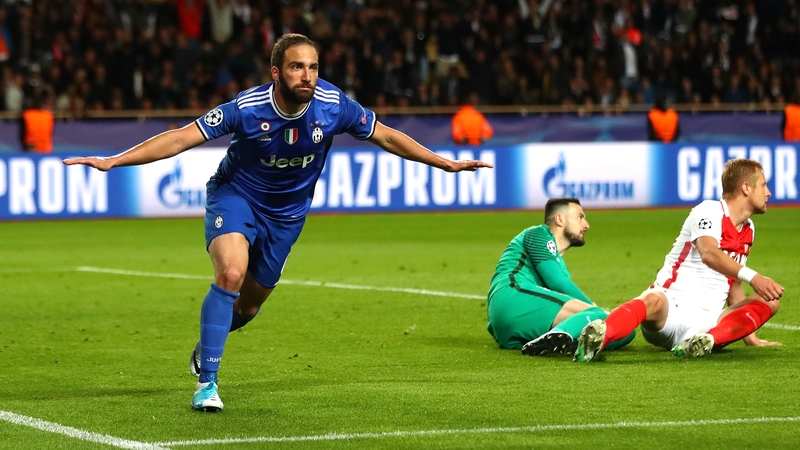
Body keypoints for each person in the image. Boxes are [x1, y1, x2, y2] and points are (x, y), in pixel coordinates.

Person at [63, 33, 493, 412]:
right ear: (276, 72)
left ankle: (209, 342)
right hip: (236, 197)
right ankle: (207, 382)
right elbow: (180, 137)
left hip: (287, 216)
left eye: (313, 67)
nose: (307, 75)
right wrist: (115, 160)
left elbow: (385, 135)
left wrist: (444, 163)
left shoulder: (334, 106)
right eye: (296, 67)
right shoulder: (246, 109)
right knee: (230, 272)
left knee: (247, 307)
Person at [574, 158, 784, 363]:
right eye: (764, 185)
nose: (768, 192)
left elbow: (734, 283)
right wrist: (754, 277)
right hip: (671, 308)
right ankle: (598, 338)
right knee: (652, 299)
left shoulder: (748, 229)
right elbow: (709, 253)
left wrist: (750, 337)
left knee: (770, 300)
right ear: (746, 188)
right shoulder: (709, 211)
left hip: (709, 321)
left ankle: (705, 342)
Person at [486, 197, 634, 356]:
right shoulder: (537, 234)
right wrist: (594, 307)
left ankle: (570, 344)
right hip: (512, 296)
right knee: (599, 317)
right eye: (580, 217)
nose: (586, 225)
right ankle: (563, 333)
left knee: (625, 331)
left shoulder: (559, 265)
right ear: (559, 219)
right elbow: (557, 282)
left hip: (516, 325)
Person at [20, 89, 55, 153]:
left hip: (32, 150)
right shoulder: (48, 115)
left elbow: (22, 135)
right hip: (45, 151)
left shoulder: (27, 114)